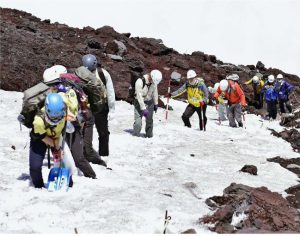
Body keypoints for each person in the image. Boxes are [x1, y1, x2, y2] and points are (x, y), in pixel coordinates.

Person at [43, 65, 97, 178]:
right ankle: (67, 173)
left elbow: (73, 109)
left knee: (78, 157)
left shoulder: (68, 91)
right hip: (62, 125)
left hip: (73, 125)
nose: (49, 87)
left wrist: (64, 105)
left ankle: (92, 176)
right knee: (62, 151)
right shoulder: (58, 90)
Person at [82, 54, 115, 164]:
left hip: (101, 107)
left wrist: (112, 109)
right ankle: (86, 152)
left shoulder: (103, 74)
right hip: (88, 106)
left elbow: (110, 91)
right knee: (85, 131)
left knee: (103, 131)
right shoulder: (83, 73)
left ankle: (103, 153)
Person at [29, 93, 67, 188]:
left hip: (55, 137)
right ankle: (38, 186)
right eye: (53, 118)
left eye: (58, 118)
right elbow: (43, 137)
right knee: (35, 167)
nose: (56, 120)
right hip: (39, 139)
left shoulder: (63, 111)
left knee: (63, 161)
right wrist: (57, 148)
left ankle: (66, 182)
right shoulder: (38, 121)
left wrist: (58, 149)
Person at [132, 69, 162, 137]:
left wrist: (156, 103)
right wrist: (143, 108)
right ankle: (135, 136)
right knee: (138, 122)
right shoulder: (140, 81)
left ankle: (149, 135)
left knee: (149, 120)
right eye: (152, 80)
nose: (153, 82)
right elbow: (139, 96)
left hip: (149, 102)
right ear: (150, 77)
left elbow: (155, 93)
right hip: (139, 102)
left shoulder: (154, 82)